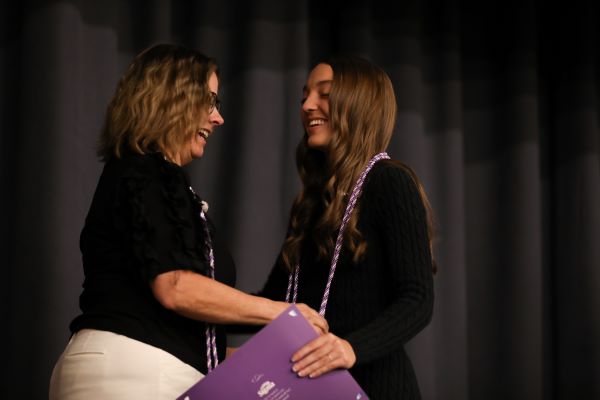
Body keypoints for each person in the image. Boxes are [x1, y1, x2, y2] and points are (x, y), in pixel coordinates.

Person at [48, 43, 327, 400]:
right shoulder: (147, 172)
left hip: (123, 367)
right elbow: (175, 287)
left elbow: (172, 326)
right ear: (172, 99)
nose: (218, 118)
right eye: (209, 101)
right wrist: (283, 314)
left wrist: (275, 360)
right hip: (132, 374)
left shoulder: (143, 176)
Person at [258, 55, 436, 399]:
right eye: (304, 96)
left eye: (323, 94)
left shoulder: (389, 181)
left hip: (377, 387)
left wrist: (350, 348)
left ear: (359, 104)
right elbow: (272, 302)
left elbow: (417, 300)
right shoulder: (312, 203)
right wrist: (195, 304)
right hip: (311, 389)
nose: (308, 106)